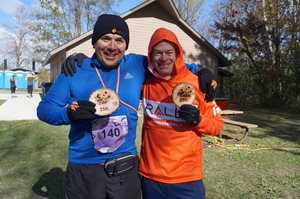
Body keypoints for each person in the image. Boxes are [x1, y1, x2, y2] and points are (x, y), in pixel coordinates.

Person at [37, 14, 214, 199]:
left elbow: (168, 63)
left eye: (119, 40)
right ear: (95, 42)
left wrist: (200, 70)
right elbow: (45, 109)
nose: (112, 46)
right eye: (105, 39)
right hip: (85, 167)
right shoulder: (75, 70)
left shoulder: (137, 64)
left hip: (125, 168)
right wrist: (68, 114)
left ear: (125, 45)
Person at [139, 28, 224, 199]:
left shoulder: (199, 84)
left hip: (187, 178)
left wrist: (198, 120)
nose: (164, 58)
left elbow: (218, 125)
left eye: (169, 52)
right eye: (157, 53)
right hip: (150, 177)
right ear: (150, 55)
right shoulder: (146, 84)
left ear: (177, 53)